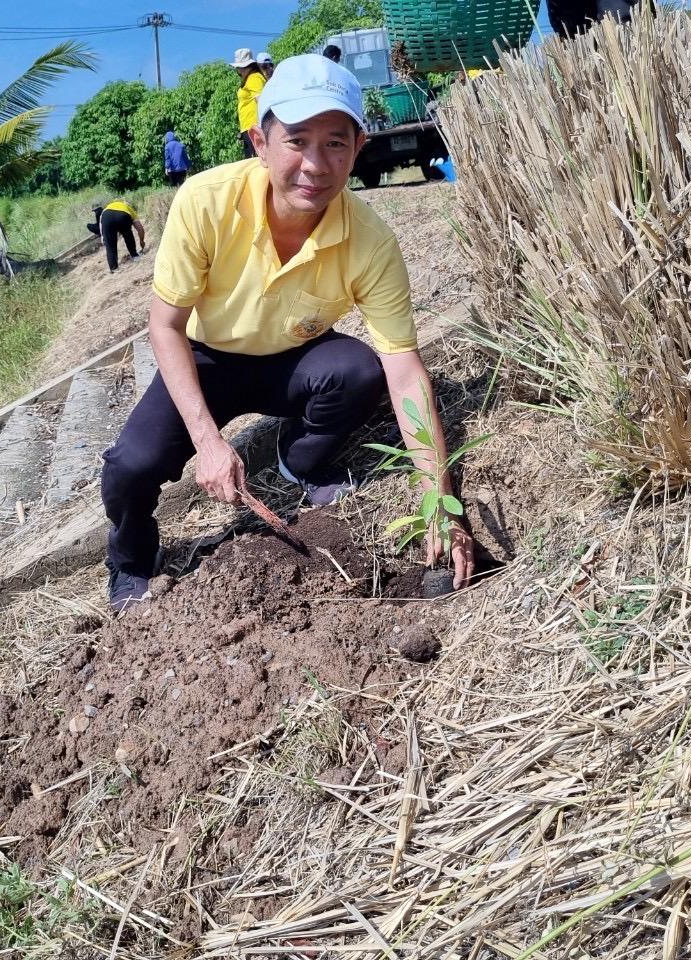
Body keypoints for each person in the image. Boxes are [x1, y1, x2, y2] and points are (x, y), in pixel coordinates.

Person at [99, 54, 475, 611]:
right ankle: (131, 560)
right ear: (260, 141)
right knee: (130, 466)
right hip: (207, 357)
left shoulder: (371, 242)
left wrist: (440, 500)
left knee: (359, 370)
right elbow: (166, 325)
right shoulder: (205, 202)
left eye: (335, 144)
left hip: (293, 359)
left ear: (358, 149)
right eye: (297, 140)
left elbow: (404, 368)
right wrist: (207, 441)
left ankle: (297, 462)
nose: (315, 165)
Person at [232, 47, 266, 159]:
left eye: (239, 68)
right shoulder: (249, 79)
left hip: (254, 125)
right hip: (248, 126)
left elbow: (261, 99)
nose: (238, 71)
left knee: (256, 161)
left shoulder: (254, 78)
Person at [95, 199, 145, 273]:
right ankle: (135, 256)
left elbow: (101, 223)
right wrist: (141, 240)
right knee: (128, 235)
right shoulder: (128, 207)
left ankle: (114, 268)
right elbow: (140, 228)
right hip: (122, 216)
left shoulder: (107, 208)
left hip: (107, 217)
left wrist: (103, 236)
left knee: (110, 244)